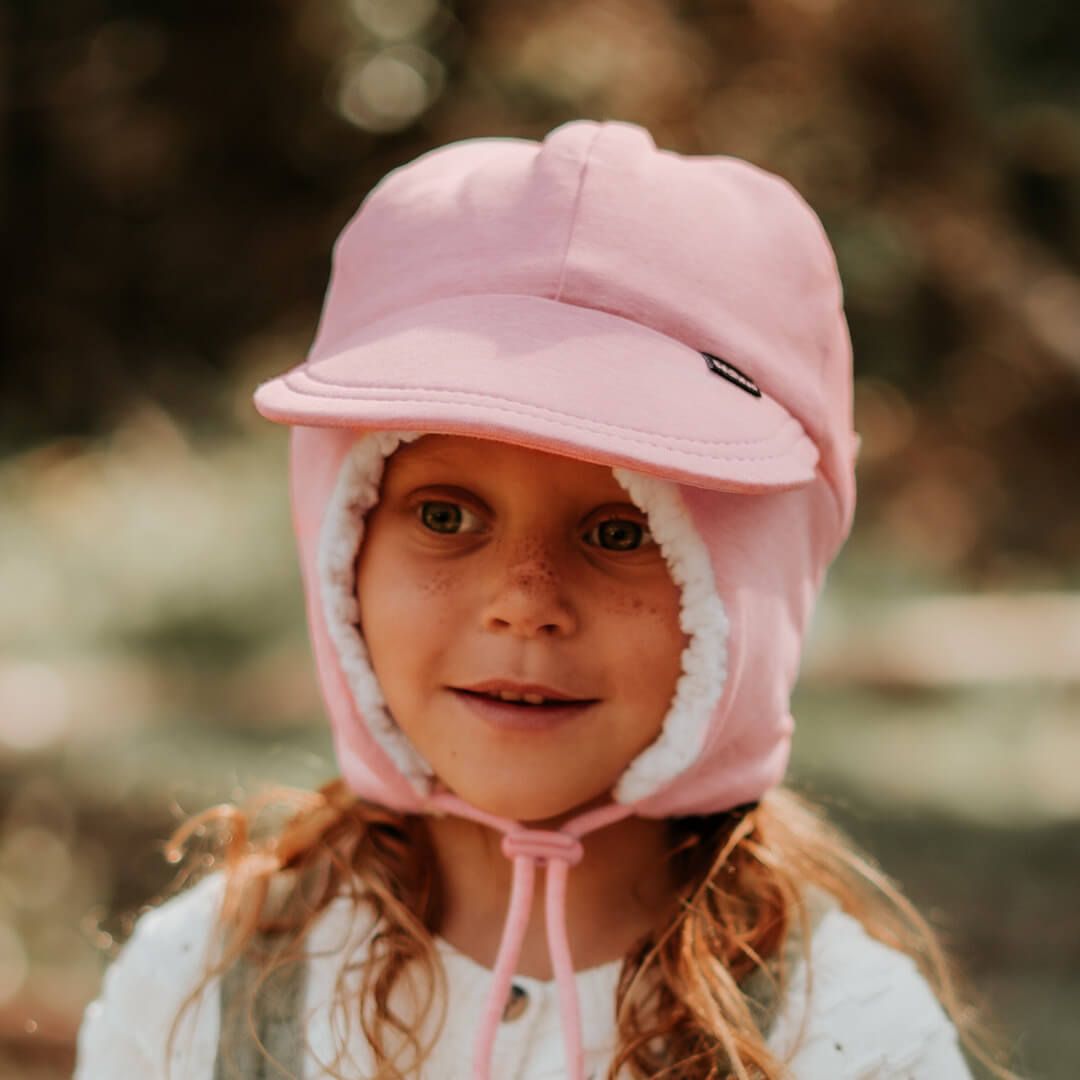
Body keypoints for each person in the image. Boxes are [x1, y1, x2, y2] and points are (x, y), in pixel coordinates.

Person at [73, 119, 1016, 1079]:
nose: (524, 604)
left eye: (620, 532)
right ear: (343, 538)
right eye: (445, 516)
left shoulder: (844, 1034)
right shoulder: (198, 992)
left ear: (758, 575)